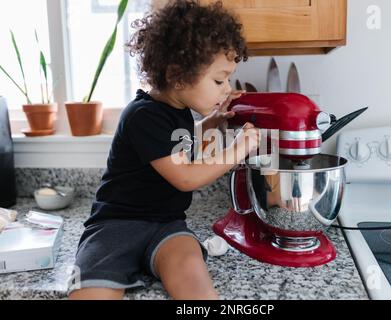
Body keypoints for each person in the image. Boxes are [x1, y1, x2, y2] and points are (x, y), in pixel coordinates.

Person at [68, 0, 259, 300]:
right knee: (90, 295)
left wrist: (207, 125)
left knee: (194, 281)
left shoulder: (177, 110)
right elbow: (184, 177)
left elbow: (173, 143)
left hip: (166, 226)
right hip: (115, 227)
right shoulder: (142, 115)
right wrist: (237, 150)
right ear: (176, 74)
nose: (226, 88)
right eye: (219, 79)